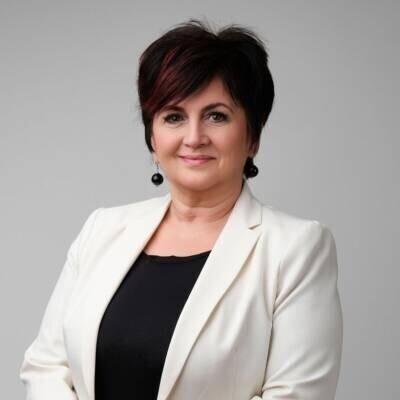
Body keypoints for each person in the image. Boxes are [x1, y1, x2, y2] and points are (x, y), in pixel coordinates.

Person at [19, 18, 343, 400]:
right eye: (174, 117)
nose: (194, 137)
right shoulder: (102, 229)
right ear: (153, 139)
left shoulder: (296, 249)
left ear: (252, 136)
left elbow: (296, 395)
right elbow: (46, 366)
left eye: (216, 116)